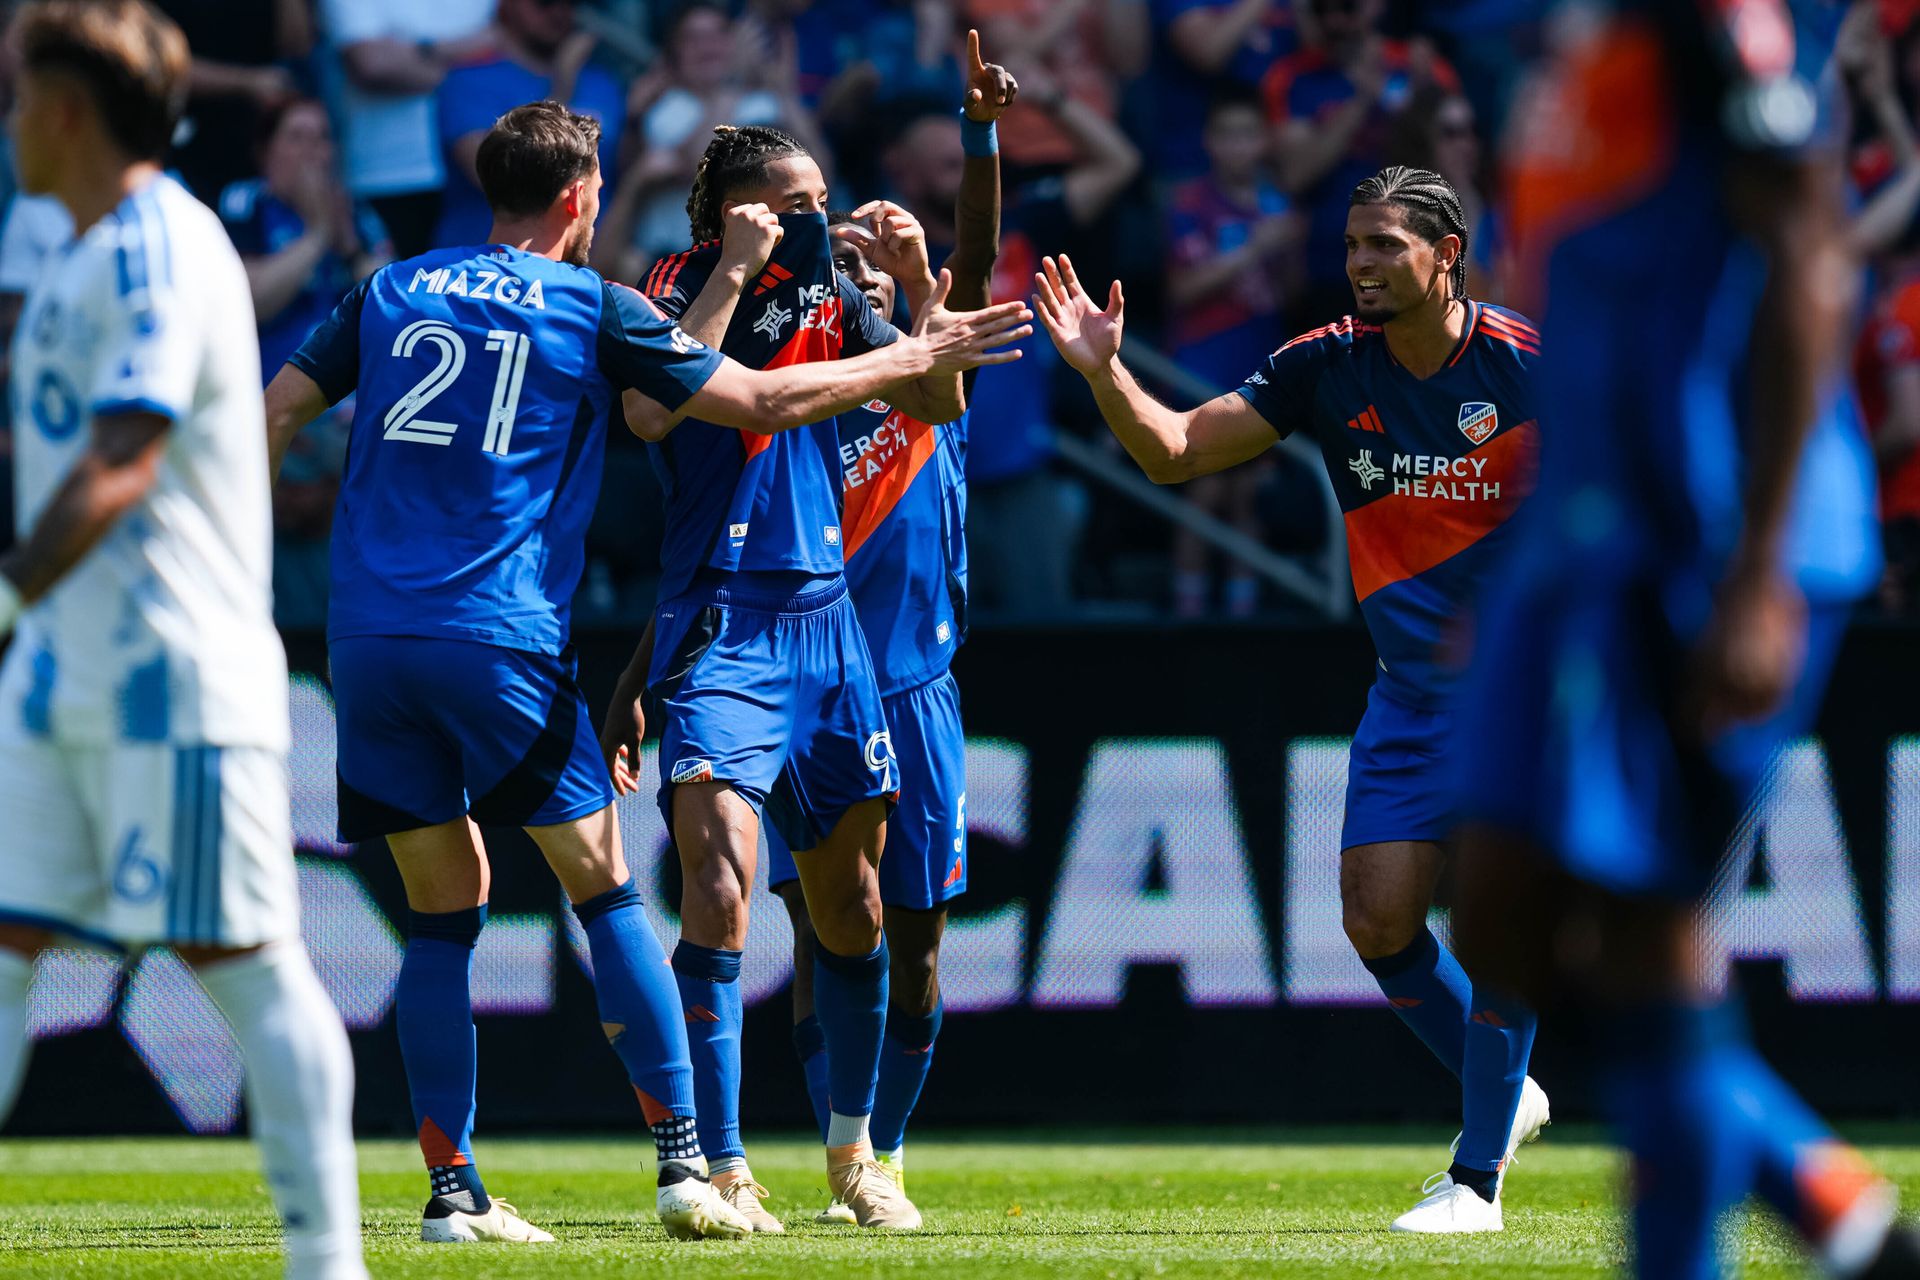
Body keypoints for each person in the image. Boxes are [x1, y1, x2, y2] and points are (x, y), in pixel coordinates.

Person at [264, 100, 1027, 1245]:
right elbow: (713, 406)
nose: (813, 220)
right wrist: (909, 347)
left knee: (446, 911)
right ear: (582, 197)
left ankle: (457, 1190)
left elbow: (272, 414)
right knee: (621, 889)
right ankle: (693, 1163)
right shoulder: (611, 298)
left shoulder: (388, 288)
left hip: (371, 635)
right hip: (530, 631)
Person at [1450, 4, 1920, 1276]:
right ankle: (1838, 1210)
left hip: (1699, 532)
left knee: (1648, 927)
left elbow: (1808, 253)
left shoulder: (1716, 32)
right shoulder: (1563, 43)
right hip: (1582, 537)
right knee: (1497, 916)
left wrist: (1757, 566)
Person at [1032, 165, 1549, 1233]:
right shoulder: (1325, 363)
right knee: (1377, 917)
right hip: (1410, 696)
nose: (1360, 264)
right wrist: (1104, 370)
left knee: (1499, 922)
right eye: (1353, 244)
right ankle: (1504, 1088)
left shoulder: (1529, 364)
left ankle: (1477, 1178)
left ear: (1447, 255)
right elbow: (1174, 453)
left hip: (1521, 691)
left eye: (1385, 246)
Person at [597, 121, 1027, 1234]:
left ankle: (855, 1158)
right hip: (724, 626)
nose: (814, 218)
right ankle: (718, 1165)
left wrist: (931, 310)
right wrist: (735, 272)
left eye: (819, 198)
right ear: (729, 213)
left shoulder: (835, 293)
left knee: (855, 908)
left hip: (830, 632)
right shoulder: (666, 288)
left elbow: (935, 404)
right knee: (719, 884)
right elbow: (650, 409)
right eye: (791, 203)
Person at [0, 4, 365, 1278]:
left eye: (19, 97)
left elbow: (121, 461)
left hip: (172, 675)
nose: (8, 121)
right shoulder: (77, 254)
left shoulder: (164, 245)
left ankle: (328, 1259)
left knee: (243, 960)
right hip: (58, 677)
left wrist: (6, 596)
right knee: (4, 945)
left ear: (65, 111)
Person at [750, 31, 1012, 1222]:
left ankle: (882, 1143)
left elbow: (974, 259)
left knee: (916, 948)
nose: (853, 271)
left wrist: (977, 137)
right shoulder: (797, 393)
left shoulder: (929, 375)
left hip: (915, 689)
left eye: (870, 261)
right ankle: (847, 1156)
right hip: (811, 683)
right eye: (836, 261)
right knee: (823, 934)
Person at [883, 65, 1139, 615]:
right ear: (905, 176)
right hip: (922, 479)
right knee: (932, 631)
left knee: (1041, 632)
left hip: (1022, 475)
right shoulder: (881, 260)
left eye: (965, 161)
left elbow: (1119, 162)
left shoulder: (1021, 227)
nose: (964, 175)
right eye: (946, 165)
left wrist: (1050, 95)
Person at [1164, 87, 1300, 616]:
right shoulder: (1189, 204)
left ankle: (1243, 615)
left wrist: (1288, 250)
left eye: (1248, 134)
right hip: (1201, 364)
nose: (1238, 146)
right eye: (1227, 135)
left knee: (1250, 495)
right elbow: (1182, 289)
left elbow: (1291, 295)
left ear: (1264, 140)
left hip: (1258, 360)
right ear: (1209, 141)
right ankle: (1189, 611)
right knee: (1206, 491)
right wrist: (1257, 247)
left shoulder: (1278, 206)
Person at [1263, 0, 1458, 323]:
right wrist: (1362, 100)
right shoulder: (1292, 77)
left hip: (1410, 258)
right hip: (1328, 264)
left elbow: (1452, 164)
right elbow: (1295, 175)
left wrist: (1423, 97)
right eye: (1321, 10)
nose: (1334, 21)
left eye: (1347, 8)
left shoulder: (1422, 68)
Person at [433, 0, 625, 249]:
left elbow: (619, 173)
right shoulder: (468, 81)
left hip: (584, 261)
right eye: (544, 3)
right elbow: (495, 177)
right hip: (485, 262)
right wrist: (561, 88)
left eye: (571, 2)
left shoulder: (602, 82)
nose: (559, 11)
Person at [316, 0, 498, 257]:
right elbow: (372, 64)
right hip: (385, 177)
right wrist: (465, 62)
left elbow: (510, 45)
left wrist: (414, 52)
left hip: (474, 179)